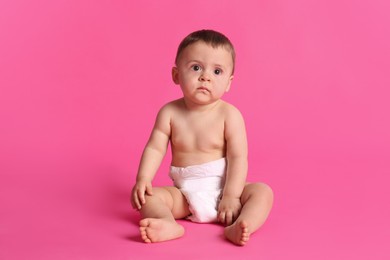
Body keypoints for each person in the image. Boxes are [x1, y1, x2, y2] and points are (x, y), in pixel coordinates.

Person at [131, 29, 274, 246]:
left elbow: (238, 158)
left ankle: (242, 225)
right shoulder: (169, 113)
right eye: (196, 67)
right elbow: (155, 148)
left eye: (217, 71)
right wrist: (143, 179)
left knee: (262, 192)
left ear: (228, 83)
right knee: (148, 199)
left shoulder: (230, 115)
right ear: (176, 75)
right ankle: (167, 223)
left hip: (224, 190)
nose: (205, 76)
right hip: (184, 196)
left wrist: (232, 196)